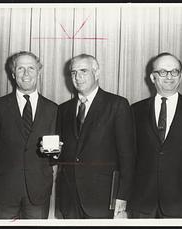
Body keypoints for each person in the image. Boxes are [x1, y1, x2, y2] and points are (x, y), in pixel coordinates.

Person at [129, 52, 182, 218]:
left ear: (180, 76)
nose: (169, 76)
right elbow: (129, 158)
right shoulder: (135, 110)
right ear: (152, 77)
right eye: (162, 72)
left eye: (174, 71)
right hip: (141, 205)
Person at [56, 54, 135, 219]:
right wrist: (52, 152)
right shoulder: (64, 109)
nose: (78, 77)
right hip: (70, 198)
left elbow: (127, 157)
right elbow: (62, 153)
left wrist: (122, 197)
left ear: (97, 73)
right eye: (73, 72)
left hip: (103, 199)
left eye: (84, 71)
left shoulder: (117, 105)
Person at [0, 51, 57, 219]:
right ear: (13, 74)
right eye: (20, 69)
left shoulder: (53, 109)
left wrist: (55, 153)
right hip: (3, 192)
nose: (26, 74)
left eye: (31, 68)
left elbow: (54, 156)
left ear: (38, 73)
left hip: (38, 193)